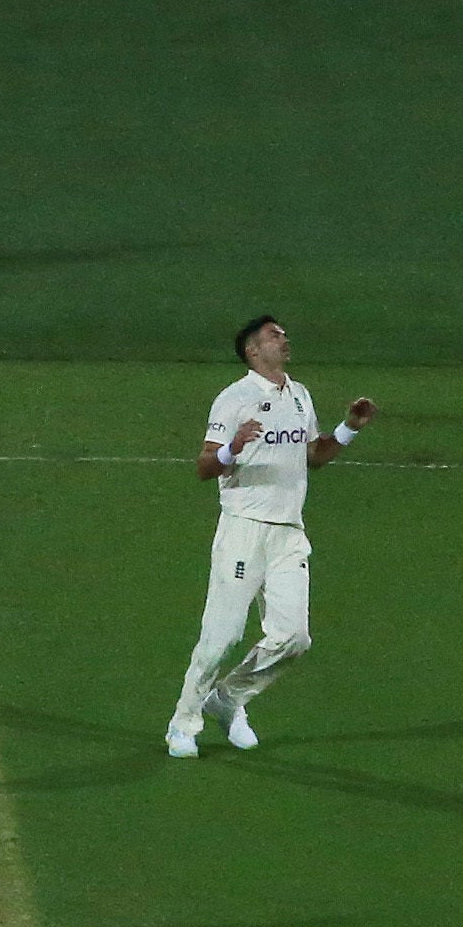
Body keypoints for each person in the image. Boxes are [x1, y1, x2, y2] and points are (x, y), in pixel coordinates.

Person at [164, 316, 379, 757]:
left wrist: (349, 428)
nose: (284, 339)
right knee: (221, 636)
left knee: (294, 637)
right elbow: (205, 467)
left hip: (289, 533)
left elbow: (314, 456)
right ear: (253, 351)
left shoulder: (299, 396)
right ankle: (182, 724)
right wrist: (233, 447)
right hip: (244, 529)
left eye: (283, 334)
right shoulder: (234, 399)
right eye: (273, 336)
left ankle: (227, 699)